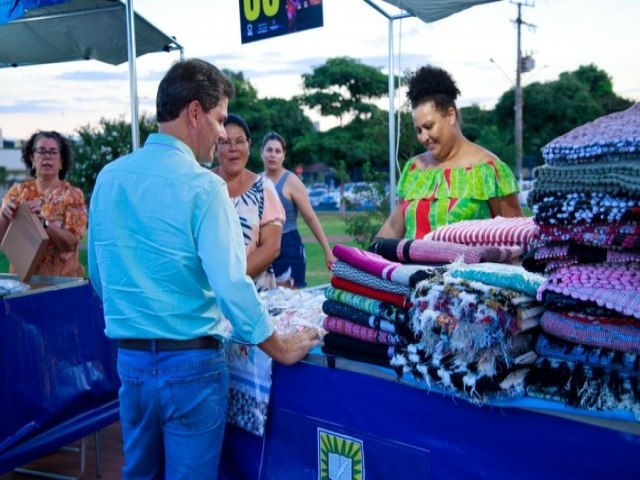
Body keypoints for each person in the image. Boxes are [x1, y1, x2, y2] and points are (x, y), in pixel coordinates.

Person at [87, 59, 318, 480]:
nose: (220, 135)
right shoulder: (204, 186)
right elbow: (231, 286)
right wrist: (280, 347)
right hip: (190, 367)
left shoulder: (108, 178)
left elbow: (100, 276)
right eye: (219, 120)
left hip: (132, 365)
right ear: (195, 113)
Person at [376, 65, 523, 240]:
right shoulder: (415, 169)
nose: (423, 137)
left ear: (450, 115)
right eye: (418, 130)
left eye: (429, 127)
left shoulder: (489, 170)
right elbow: (394, 227)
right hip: (411, 267)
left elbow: (516, 236)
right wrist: (362, 259)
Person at [212, 114, 285, 292]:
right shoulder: (202, 186)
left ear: (249, 146)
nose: (233, 148)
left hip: (256, 297)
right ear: (215, 148)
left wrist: (230, 281)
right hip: (209, 299)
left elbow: (272, 247)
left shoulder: (263, 189)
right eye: (225, 142)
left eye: (240, 141)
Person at [0, 130, 87, 277]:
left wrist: (44, 224)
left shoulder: (73, 195)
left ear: (61, 161)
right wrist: (3, 215)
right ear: (32, 158)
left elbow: (71, 244)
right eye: (41, 151)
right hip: (22, 282)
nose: (47, 157)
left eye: (53, 152)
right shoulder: (17, 192)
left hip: (62, 284)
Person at [261, 131, 336, 288]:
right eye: (269, 150)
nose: (273, 155)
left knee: (290, 304)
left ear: (283, 155)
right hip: (262, 248)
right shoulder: (256, 181)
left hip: (288, 247)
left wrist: (327, 251)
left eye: (277, 151)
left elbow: (310, 217)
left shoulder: (291, 181)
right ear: (262, 153)